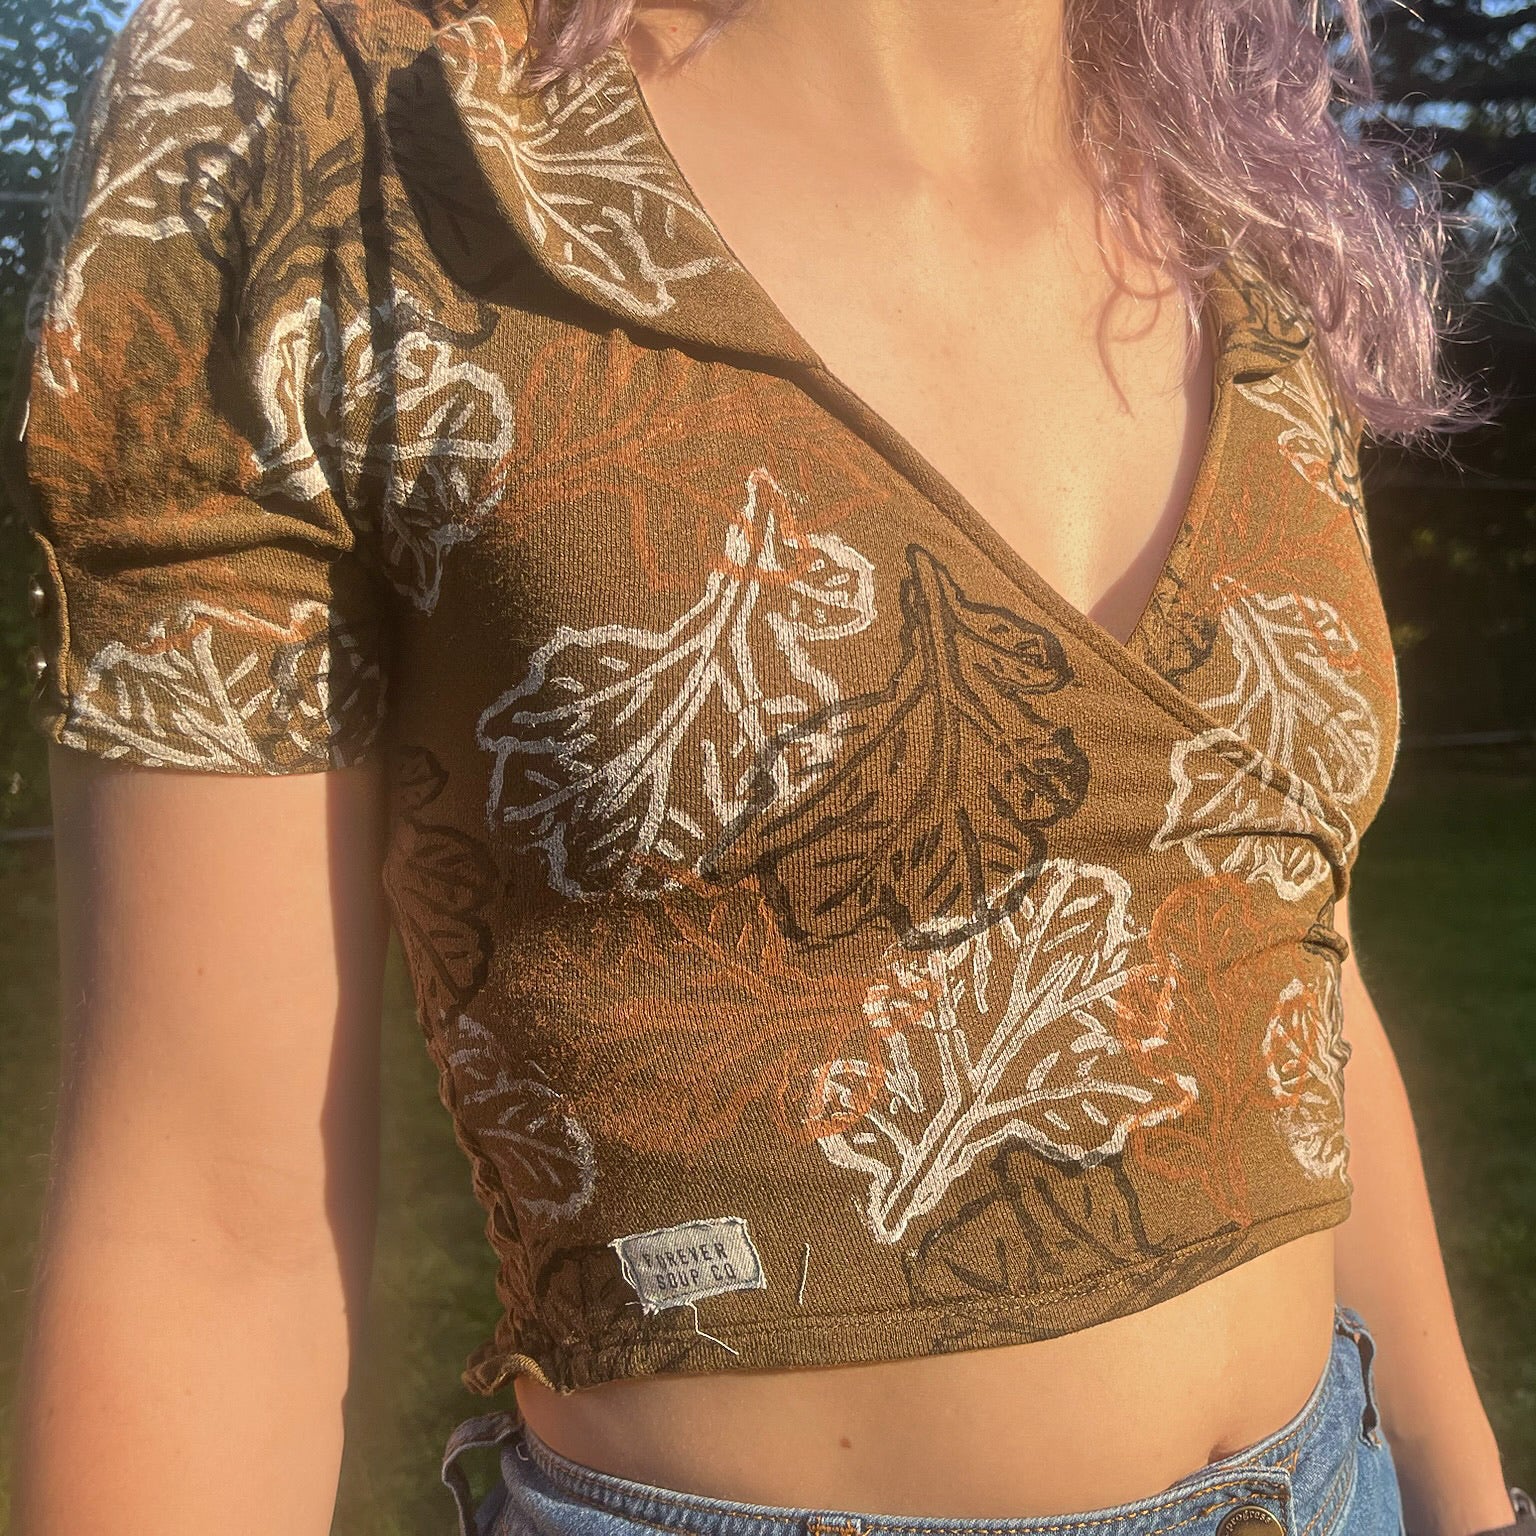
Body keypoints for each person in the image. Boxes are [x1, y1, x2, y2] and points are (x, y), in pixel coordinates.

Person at [4, 0, 1530, 1532]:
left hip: (1334, 1484)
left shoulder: (1237, 201)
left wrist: (1461, 1488)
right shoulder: (318, 111)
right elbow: (208, 1231)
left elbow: (1284, 957)